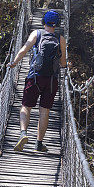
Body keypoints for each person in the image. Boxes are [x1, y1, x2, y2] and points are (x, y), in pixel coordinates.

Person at [8, 9, 67, 152]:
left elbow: (23, 50)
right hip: (51, 81)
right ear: (57, 24)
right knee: (44, 111)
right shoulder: (61, 39)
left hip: (34, 77)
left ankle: (23, 133)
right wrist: (63, 66)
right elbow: (63, 62)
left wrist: (14, 63)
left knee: (26, 107)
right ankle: (39, 143)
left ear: (43, 22)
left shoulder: (36, 34)